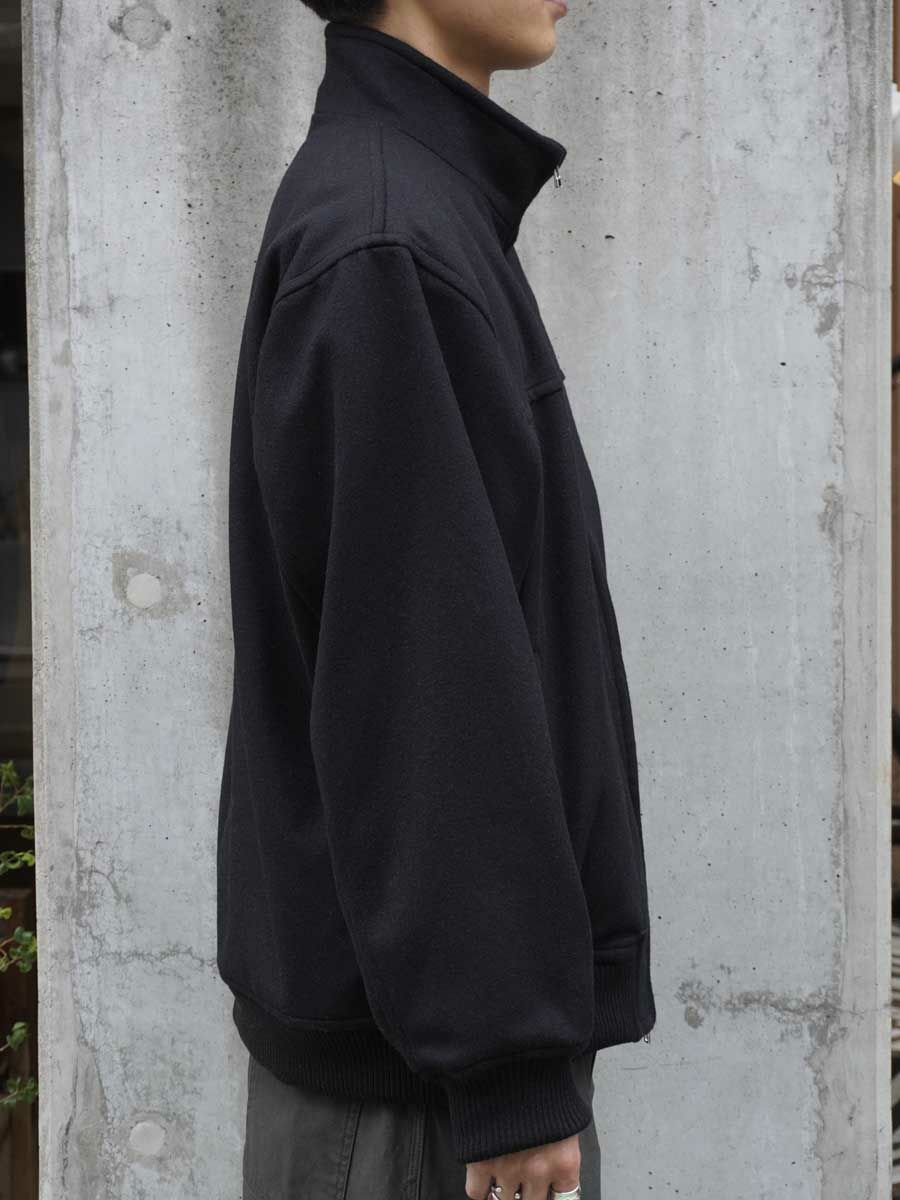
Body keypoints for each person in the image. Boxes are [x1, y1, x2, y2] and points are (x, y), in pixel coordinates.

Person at [216, 3, 657, 1198]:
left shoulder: (414, 208)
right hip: (424, 1103)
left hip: (423, 1068)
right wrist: (505, 1066)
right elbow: (421, 686)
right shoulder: (386, 237)